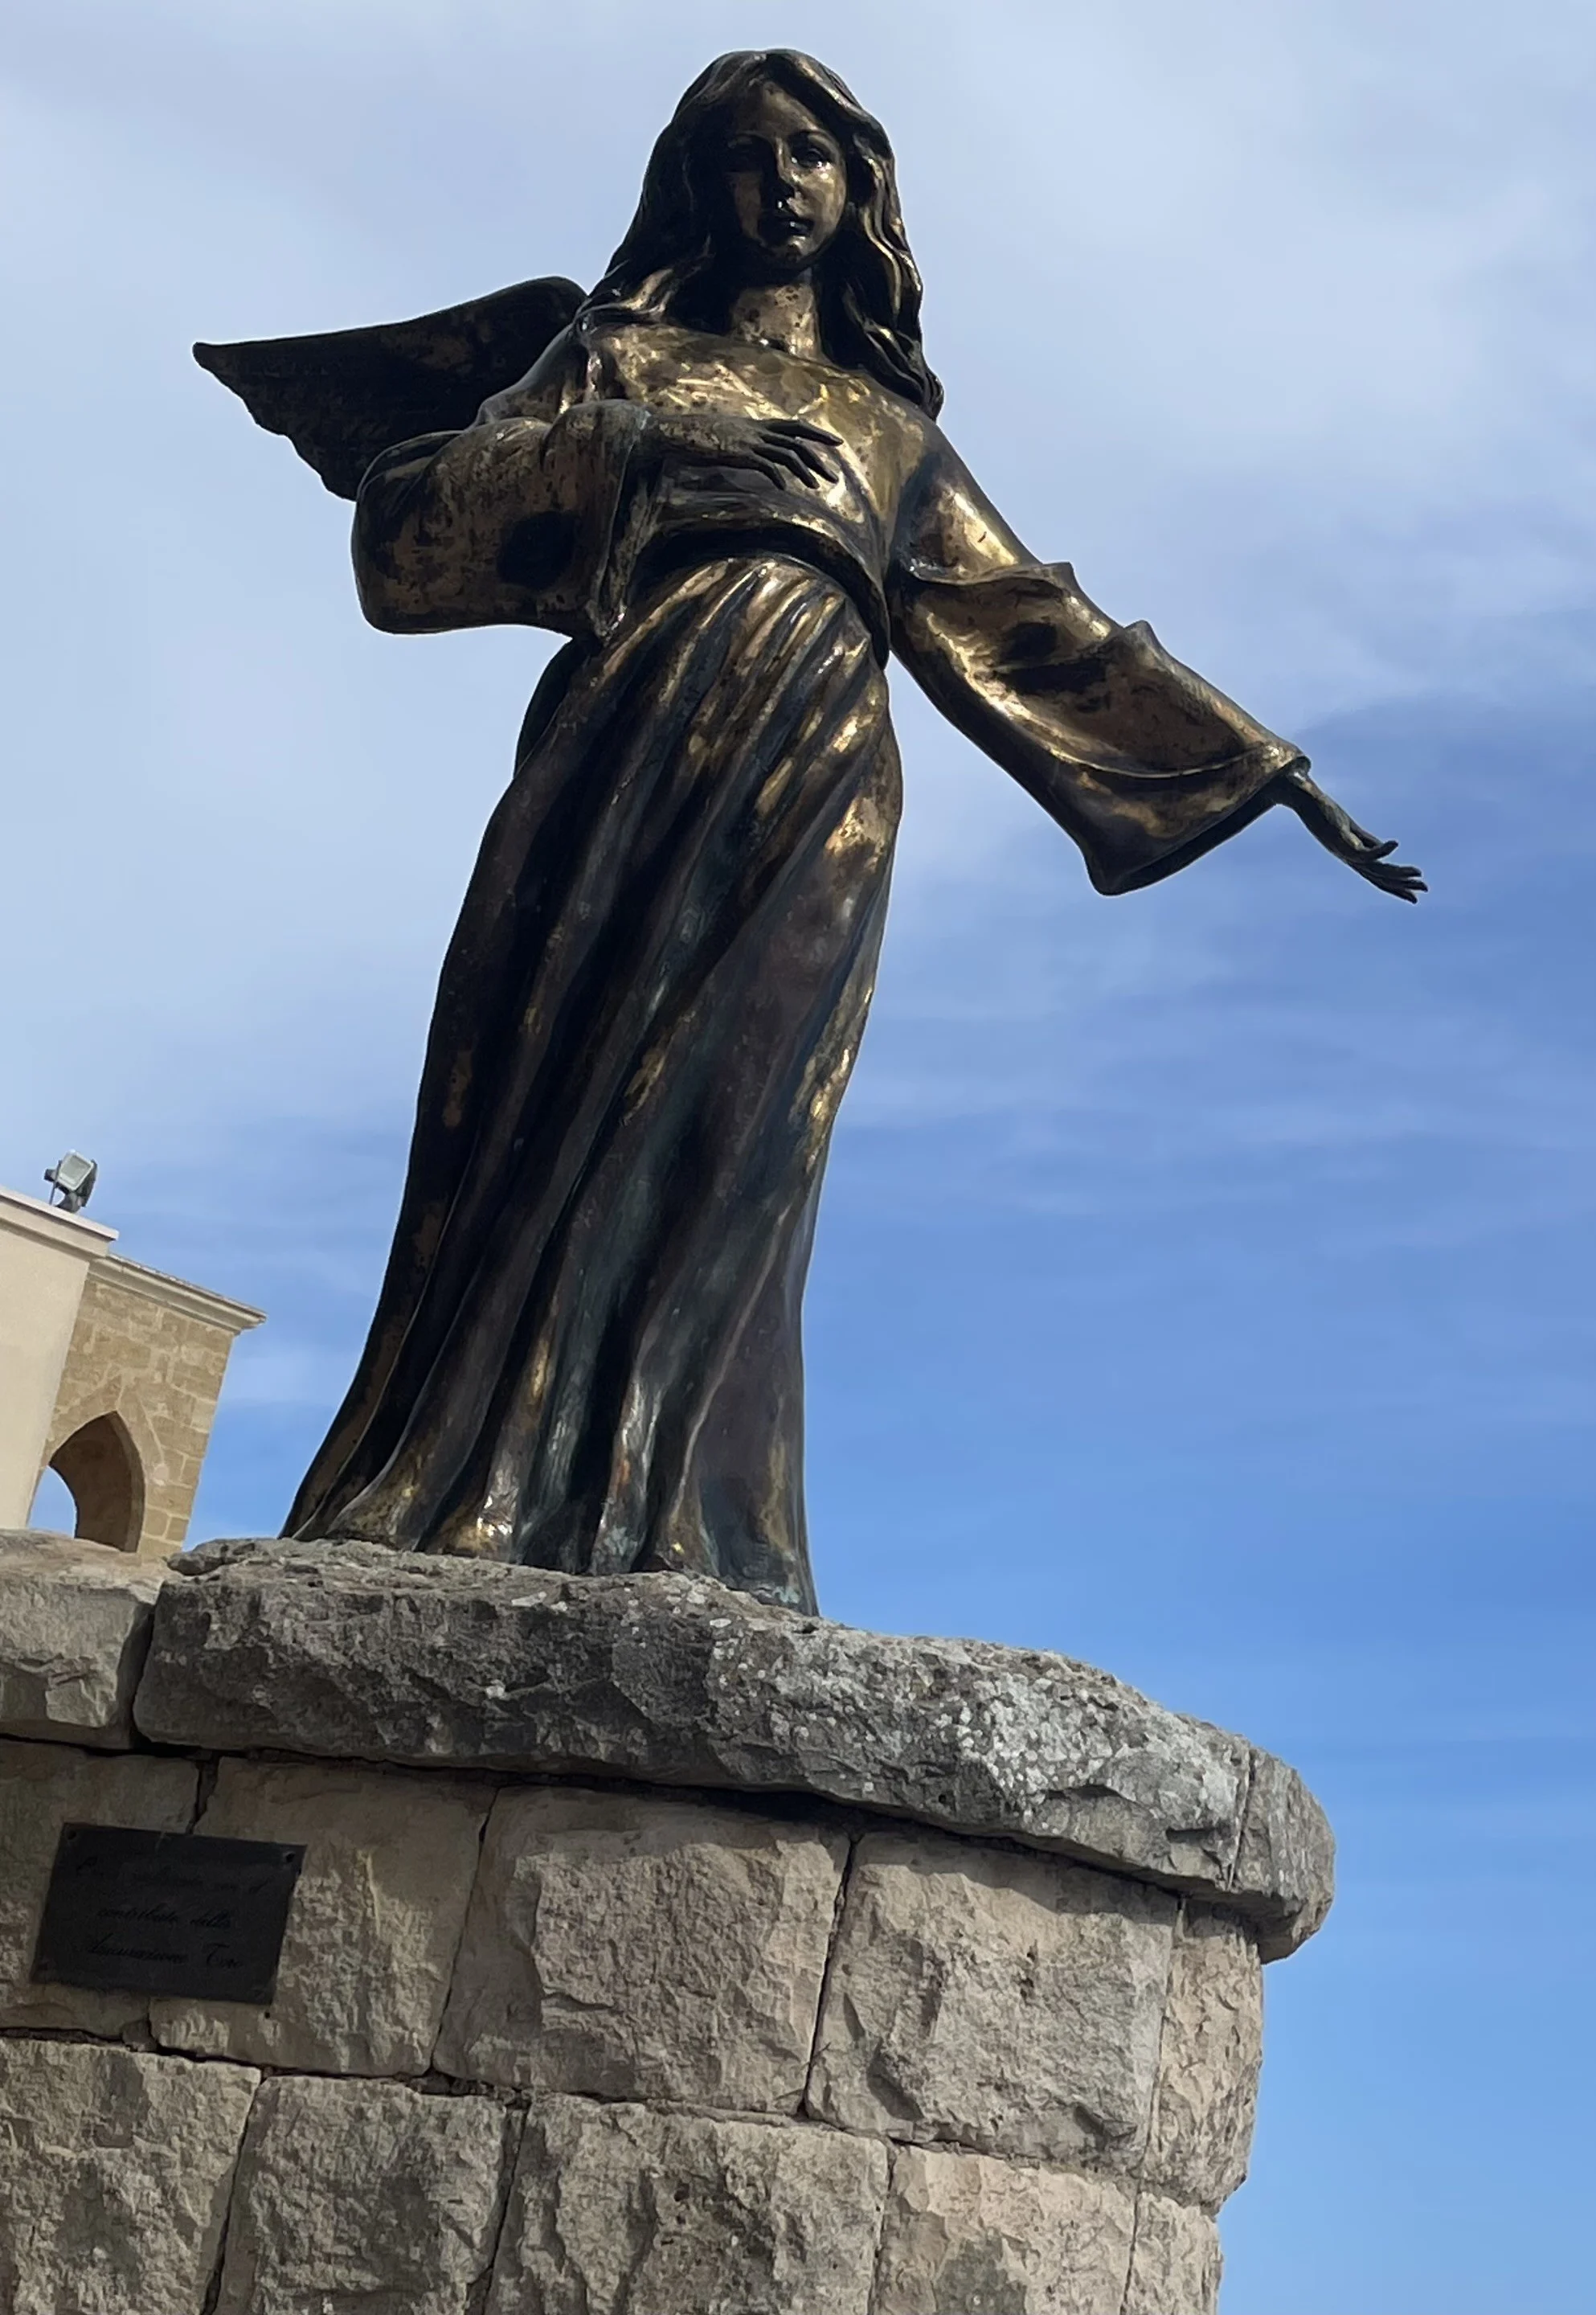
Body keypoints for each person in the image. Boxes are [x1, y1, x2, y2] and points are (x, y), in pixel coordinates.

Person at [280, 51, 1416, 1611]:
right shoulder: (615, 358)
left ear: (861, 188)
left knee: (748, 1127)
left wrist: (1258, 767)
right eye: (747, 157)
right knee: (550, 1090)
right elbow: (405, 528)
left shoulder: (886, 431)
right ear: (699, 187)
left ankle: (689, 1524)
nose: (784, 184)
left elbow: (1034, 630)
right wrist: (641, 449)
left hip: (820, 771)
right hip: (628, 739)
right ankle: (475, 1494)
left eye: (815, 154)